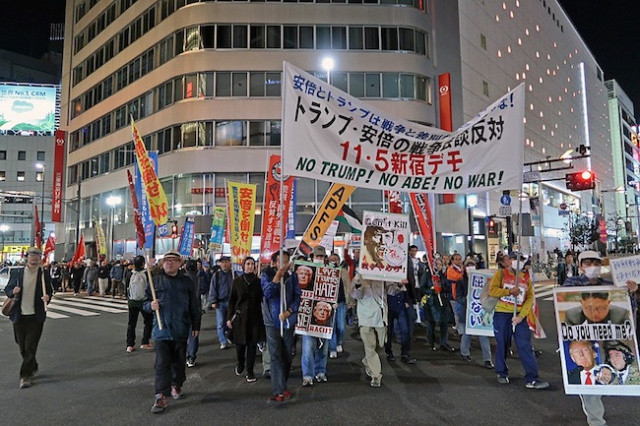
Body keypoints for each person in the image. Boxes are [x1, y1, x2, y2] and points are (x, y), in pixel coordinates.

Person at [564, 250, 638, 425]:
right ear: (580, 266)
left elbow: (627, 308)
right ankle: (596, 420)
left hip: (606, 338)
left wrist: (632, 292)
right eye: (588, 263)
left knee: (605, 376)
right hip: (583, 339)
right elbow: (563, 304)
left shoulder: (610, 284)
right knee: (589, 382)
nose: (592, 267)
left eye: (596, 263)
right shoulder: (571, 283)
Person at [144, 250, 201, 414]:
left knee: (178, 363)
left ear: (179, 263)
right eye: (166, 260)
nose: (169, 263)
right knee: (161, 364)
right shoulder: (155, 281)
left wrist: (196, 325)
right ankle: (161, 396)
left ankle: (177, 384)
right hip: (162, 331)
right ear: (162, 263)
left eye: (173, 260)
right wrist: (150, 306)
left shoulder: (187, 282)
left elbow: (194, 306)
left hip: (181, 329)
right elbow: (145, 303)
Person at [489, 251, 549, 389]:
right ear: (508, 260)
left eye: (521, 259)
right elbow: (493, 291)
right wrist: (509, 292)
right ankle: (501, 372)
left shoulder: (526, 277)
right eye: (515, 258)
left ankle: (532, 378)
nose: (518, 261)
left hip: (520, 316)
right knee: (503, 344)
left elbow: (529, 299)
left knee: (525, 346)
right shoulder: (501, 274)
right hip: (502, 314)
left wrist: (521, 316)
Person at [3, 247, 53, 388]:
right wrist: (13, 291)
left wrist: (47, 298)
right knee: (22, 346)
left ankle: (25, 376)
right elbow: (7, 289)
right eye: (32, 255)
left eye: (37, 255)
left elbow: (49, 291)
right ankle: (33, 364)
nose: (34, 257)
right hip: (19, 315)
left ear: (39, 258)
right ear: (27, 257)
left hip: (36, 316)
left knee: (31, 346)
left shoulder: (44, 274)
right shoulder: (18, 273)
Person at [261, 250, 300, 402]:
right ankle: (278, 391)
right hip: (271, 322)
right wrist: (278, 276)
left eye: (286, 261)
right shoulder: (267, 275)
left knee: (288, 354)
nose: (283, 265)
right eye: (280, 261)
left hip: (288, 322)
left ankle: (282, 385)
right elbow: (268, 293)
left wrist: (290, 311)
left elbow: (297, 296)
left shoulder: (293, 277)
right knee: (275, 355)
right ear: (275, 262)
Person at [351, 273, 400, 387]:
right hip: (366, 316)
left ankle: (367, 360)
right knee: (370, 346)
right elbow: (354, 295)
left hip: (381, 316)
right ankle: (376, 376)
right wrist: (358, 285)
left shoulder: (383, 275)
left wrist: (399, 284)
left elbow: (392, 291)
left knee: (381, 344)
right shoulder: (359, 276)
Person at [227, 256, 265, 383]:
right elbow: (232, 301)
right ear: (243, 266)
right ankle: (240, 363)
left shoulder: (258, 282)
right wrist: (229, 318)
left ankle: (250, 371)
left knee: (252, 345)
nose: (250, 266)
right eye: (248, 264)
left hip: (255, 318)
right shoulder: (237, 281)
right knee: (240, 345)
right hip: (239, 318)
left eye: (252, 264)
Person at [301, 245, 330, 386]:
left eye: (321, 256)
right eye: (317, 256)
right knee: (308, 347)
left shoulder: (331, 273)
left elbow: (339, 292)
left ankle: (320, 371)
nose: (319, 259)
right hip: (307, 315)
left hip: (326, 316)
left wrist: (336, 302)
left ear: (325, 258)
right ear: (311, 257)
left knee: (323, 347)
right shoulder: (304, 273)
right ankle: (307, 375)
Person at [459, 259, 494, 369]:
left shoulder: (482, 279)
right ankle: (465, 353)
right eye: (468, 266)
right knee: (467, 333)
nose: (470, 268)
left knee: (483, 335)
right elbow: (458, 297)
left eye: (472, 266)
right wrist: (465, 299)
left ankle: (487, 359)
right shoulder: (461, 281)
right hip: (467, 311)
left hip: (480, 311)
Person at [423, 258, 453, 351]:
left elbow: (449, 287)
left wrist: (442, 287)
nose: (438, 266)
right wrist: (432, 290)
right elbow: (422, 288)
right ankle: (431, 343)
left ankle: (443, 342)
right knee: (431, 322)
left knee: (444, 322)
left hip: (442, 301)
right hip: (431, 302)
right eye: (436, 264)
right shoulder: (427, 275)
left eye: (440, 264)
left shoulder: (443, 275)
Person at [126, 255, 154, 353]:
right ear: (143, 263)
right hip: (144, 301)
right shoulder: (147, 274)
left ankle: (130, 345)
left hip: (132, 302)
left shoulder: (129, 274)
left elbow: (127, 287)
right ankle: (145, 342)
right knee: (148, 322)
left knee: (131, 324)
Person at [209, 256, 235, 349]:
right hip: (220, 302)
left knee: (231, 321)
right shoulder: (216, 275)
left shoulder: (233, 274)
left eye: (226, 262)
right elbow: (213, 288)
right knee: (220, 322)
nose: (224, 264)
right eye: (222, 262)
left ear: (229, 263)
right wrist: (213, 300)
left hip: (232, 302)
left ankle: (229, 335)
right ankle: (223, 341)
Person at [328, 252, 350, 359]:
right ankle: (332, 348)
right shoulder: (325, 271)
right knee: (331, 327)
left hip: (341, 302)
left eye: (335, 259)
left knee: (341, 326)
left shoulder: (344, 272)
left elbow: (348, 287)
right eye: (331, 259)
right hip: (329, 304)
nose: (333, 261)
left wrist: (350, 302)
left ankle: (339, 342)